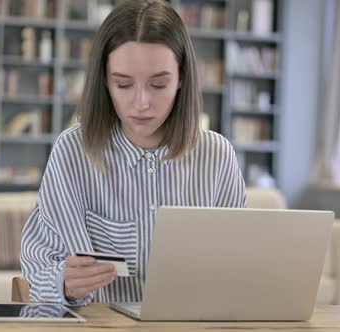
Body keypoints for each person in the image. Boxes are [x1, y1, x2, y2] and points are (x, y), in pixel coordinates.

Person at [21, 0, 246, 305]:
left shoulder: (217, 156)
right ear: (105, 81)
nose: (141, 103)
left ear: (181, 79)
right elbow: (40, 264)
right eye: (124, 85)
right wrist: (64, 282)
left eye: (158, 84)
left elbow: (237, 267)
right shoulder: (73, 152)